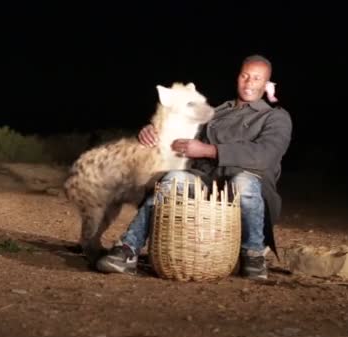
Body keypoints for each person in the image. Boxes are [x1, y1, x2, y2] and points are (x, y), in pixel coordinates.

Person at [96, 54, 293, 280]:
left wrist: (209, 150)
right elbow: (180, 136)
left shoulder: (275, 117)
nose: (249, 83)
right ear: (238, 77)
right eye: (245, 76)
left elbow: (265, 155)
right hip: (207, 180)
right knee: (172, 181)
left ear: (266, 84)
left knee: (243, 182)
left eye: (257, 79)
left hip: (249, 187)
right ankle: (128, 249)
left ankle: (253, 254)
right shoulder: (215, 113)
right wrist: (153, 130)